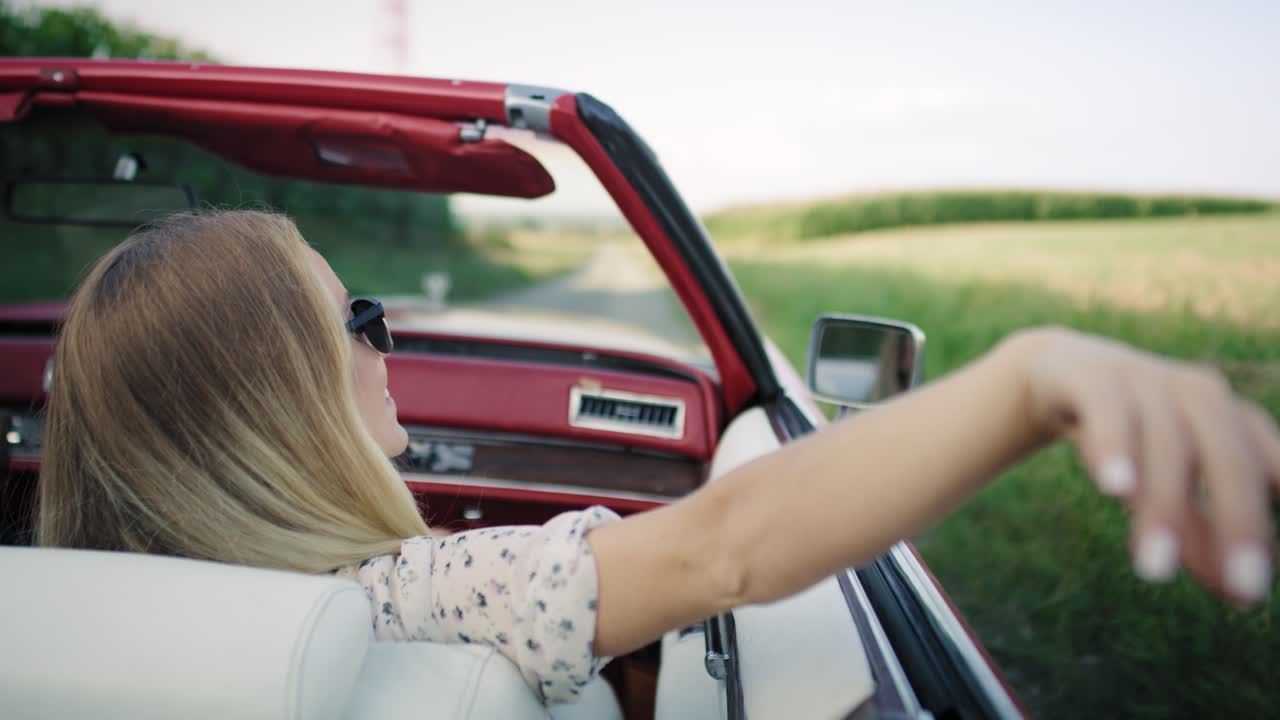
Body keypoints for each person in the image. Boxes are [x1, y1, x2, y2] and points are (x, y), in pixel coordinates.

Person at [38, 211, 1278, 704]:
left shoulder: (57, 616)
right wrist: (1026, 378)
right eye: (352, 316)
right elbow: (727, 548)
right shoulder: (422, 595)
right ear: (279, 407)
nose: (384, 335)